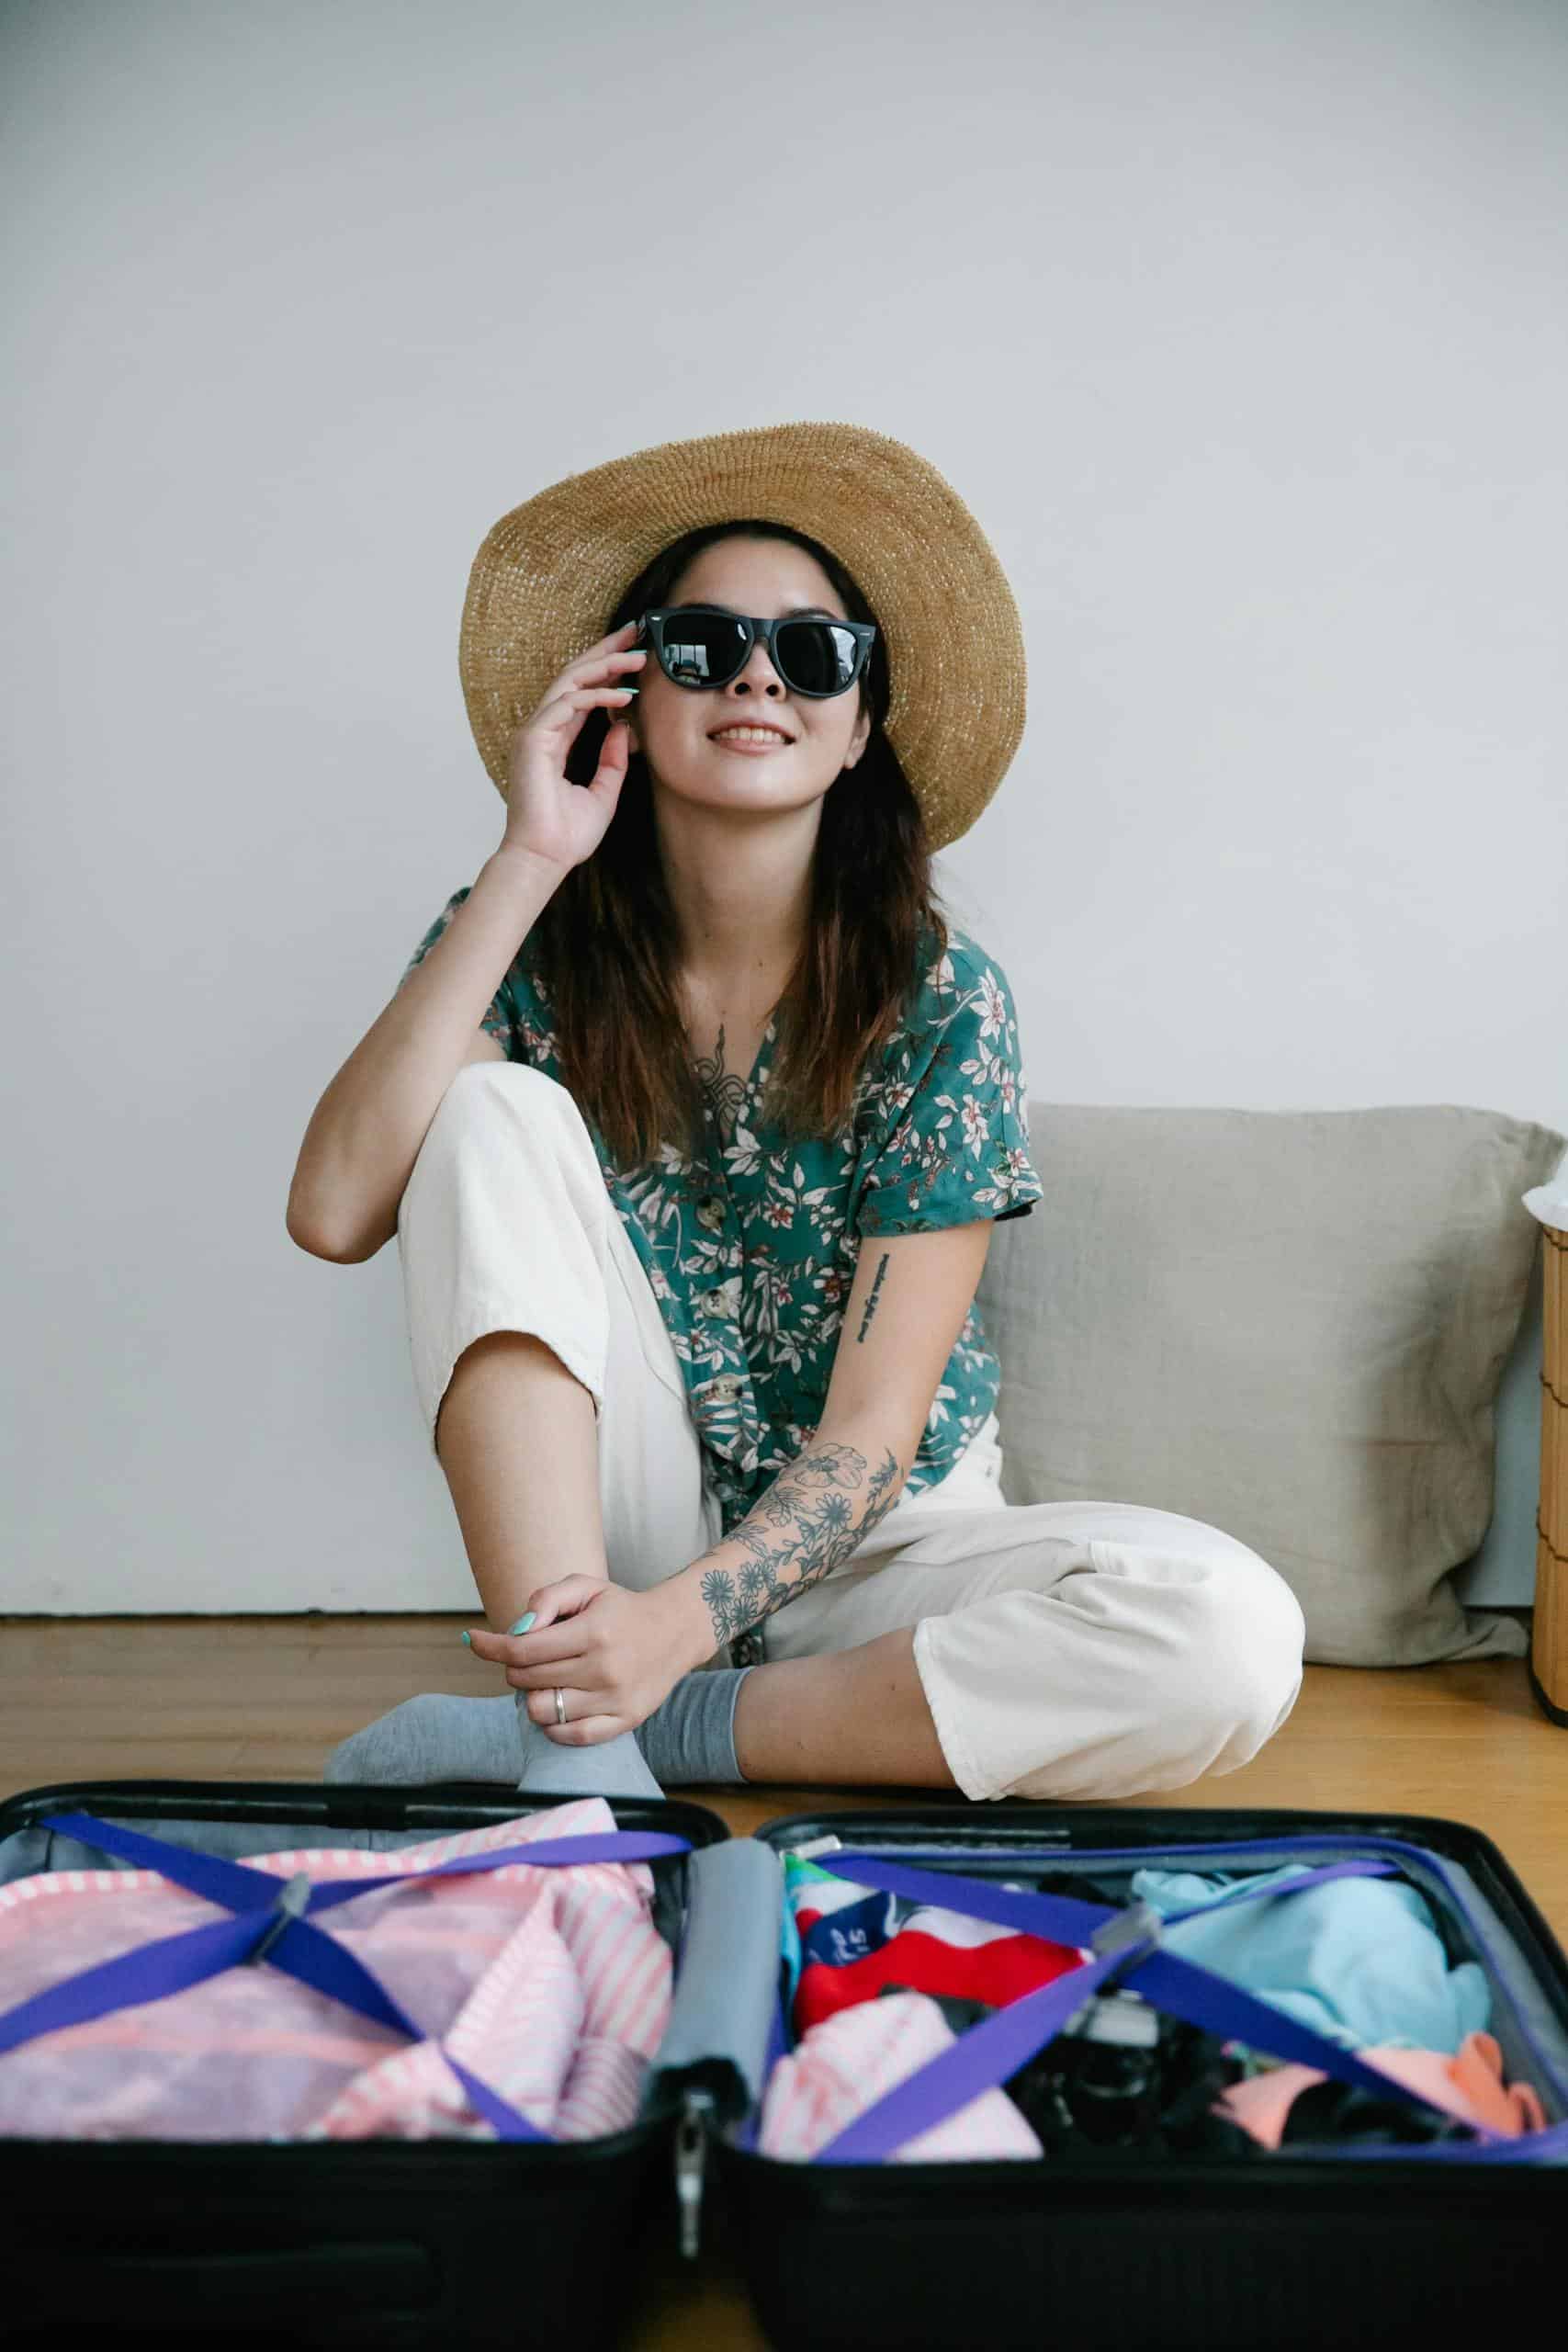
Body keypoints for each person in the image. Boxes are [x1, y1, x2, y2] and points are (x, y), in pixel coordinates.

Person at [288, 421, 1305, 1806]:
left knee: (1226, 1636)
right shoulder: (530, 945)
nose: (760, 674)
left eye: (814, 652)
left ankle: (612, 1738)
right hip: (619, 1520)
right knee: (485, 1112)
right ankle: (579, 1697)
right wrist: (529, 857)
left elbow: (874, 1440)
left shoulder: (941, 999)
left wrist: (682, 1630)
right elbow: (336, 1208)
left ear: (858, 724)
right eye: (703, 645)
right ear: (630, 698)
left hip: (877, 1550)